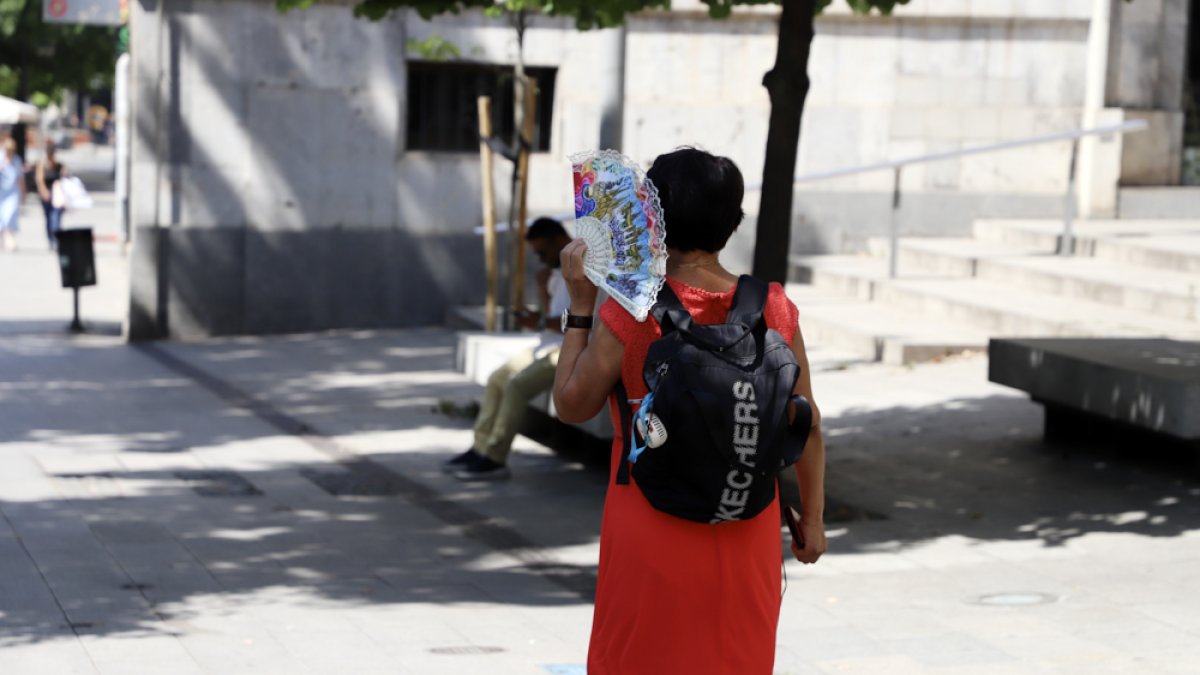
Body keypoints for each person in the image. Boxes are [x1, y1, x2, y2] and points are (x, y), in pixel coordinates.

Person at [552, 148, 827, 674]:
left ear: (651, 216)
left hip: (651, 518)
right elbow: (806, 420)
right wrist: (812, 519)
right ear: (733, 221)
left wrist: (581, 306)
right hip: (747, 520)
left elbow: (571, 404)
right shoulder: (773, 307)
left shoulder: (629, 309)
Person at [444, 217, 574, 481]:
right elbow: (554, 313)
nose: (539, 259)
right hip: (547, 343)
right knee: (497, 379)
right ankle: (480, 447)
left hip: (569, 349)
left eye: (541, 252)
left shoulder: (584, 268)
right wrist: (541, 294)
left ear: (558, 240)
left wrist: (537, 321)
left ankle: (494, 457)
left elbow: (576, 322)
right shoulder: (554, 272)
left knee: (515, 386)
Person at [34, 140, 65, 249]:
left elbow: (65, 179)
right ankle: (50, 239)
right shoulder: (42, 165)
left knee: (56, 218)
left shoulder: (59, 165)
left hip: (58, 196)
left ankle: (56, 238)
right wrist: (44, 192)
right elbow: (39, 180)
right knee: (48, 218)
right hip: (46, 195)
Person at [0, 138, 25, 252]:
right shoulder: (1, 158)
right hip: (1, 192)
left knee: (10, 215)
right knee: (1, 217)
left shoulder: (17, 160)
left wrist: (23, 194)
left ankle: (10, 237)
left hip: (13, 192)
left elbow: (20, 179)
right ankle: (4, 239)